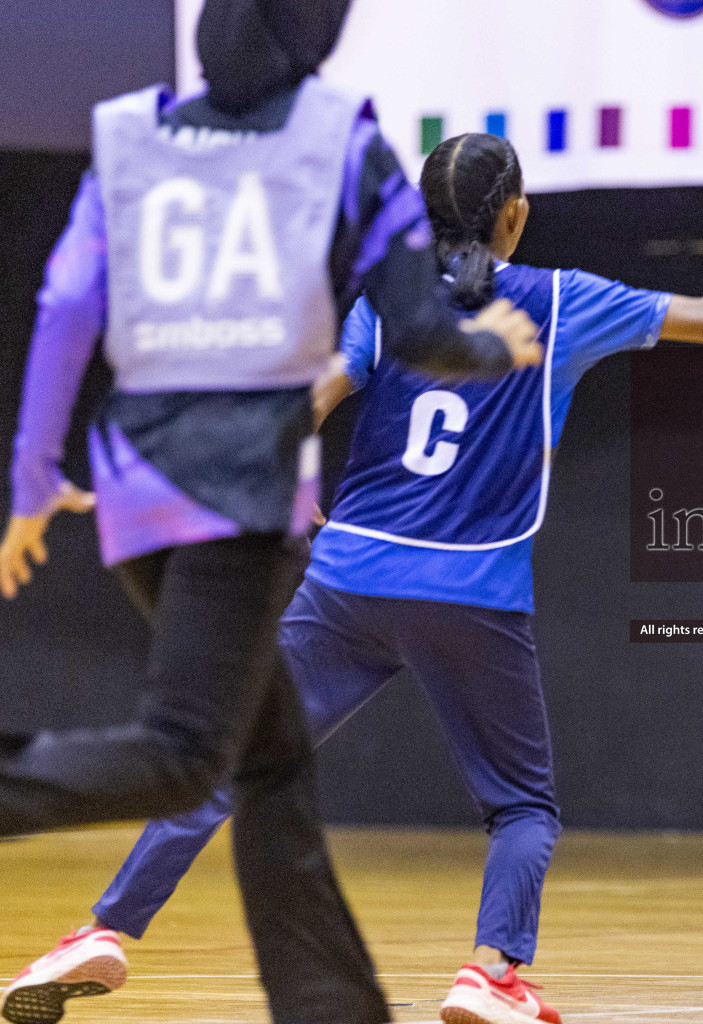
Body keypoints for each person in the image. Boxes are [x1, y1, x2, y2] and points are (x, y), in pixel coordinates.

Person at [6, 125, 703, 1024]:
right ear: (516, 216)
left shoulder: (390, 303)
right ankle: (490, 974)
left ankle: (102, 931)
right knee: (521, 806)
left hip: (347, 580)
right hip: (472, 590)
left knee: (226, 762)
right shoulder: (564, 300)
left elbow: (302, 408)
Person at [0, 2, 543, 1022]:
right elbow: (424, 326)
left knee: (273, 765)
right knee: (182, 752)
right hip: (241, 497)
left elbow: (67, 302)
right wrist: (492, 346)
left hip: (132, 491)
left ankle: (331, 1003)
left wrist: (33, 478)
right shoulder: (344, 141)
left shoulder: (127, 133)